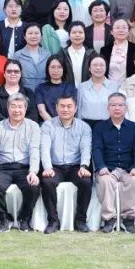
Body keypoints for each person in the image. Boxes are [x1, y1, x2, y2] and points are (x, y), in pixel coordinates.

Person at [0, 93, 41, 232]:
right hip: (3, 167)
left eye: (20, 107)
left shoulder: (33, 126)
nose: (17, 110)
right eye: (13, 106)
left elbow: (35, 150)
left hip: (24, 168)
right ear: (8, 108)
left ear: (25, 109)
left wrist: (33, 172)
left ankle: (24, 218)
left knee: (33, 186)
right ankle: (4, 218)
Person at [39, 92, 93, 234]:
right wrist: (47, 167)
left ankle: (80, 220)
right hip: (55, 166)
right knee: (47, 181)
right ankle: (53, 221)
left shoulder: (84, 127)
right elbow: (44, 149)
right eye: (62, 106)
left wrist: (84, 166)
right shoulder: (47, 126)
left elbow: (86, 148)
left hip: (75, 166)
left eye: (69, 106)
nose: (65, 109)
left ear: (75, 108)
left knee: (86, 181)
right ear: (56, 108)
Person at [92, 93, 135, 234]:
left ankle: (128, 219)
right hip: (108, 168)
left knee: (134, 181)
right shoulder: (100, 127)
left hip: (128, 169)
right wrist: (101, 167)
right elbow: (96, 149)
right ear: (108, 108)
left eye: (120, 105)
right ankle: (109, 219)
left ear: (126, 107)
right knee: (105, 181)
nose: (117, 108)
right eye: (113, 105)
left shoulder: (134, 127)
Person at [0, 60, 34, 132]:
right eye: (9, 71)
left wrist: (19, 127)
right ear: (4, 74)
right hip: (1, 131)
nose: (13, 74)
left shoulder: (28, 93)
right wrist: (10, 126)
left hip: (24, 131)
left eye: (16, 71)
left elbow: (32, 115)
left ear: (20, 74)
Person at [78, 56, 117, 131]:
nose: (98, 68)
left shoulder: (115, 86)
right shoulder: (81, 87)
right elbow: (78, 110)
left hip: (108, 126)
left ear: (106, 68)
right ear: (89, 68)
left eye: (101, 65)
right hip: (86, 126)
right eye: (95, 65)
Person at [34, 55, 77, 121]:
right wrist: (54, 125)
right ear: (47, 69)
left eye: (59, 67)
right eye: (53, 67)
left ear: (64, 69)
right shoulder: (40, 88)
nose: (56, 70)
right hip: (48, 123)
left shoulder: (70, 88)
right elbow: (42, 112)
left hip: (67, 123)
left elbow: (72, 110)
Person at [13, 24, 50, 92]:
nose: (33, 36)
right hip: (24, 93)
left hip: (45, 92)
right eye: (30, 33)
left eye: (36, 33)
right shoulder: (17, 55)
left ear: (41, 36)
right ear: (24, 36)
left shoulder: (48, 54)